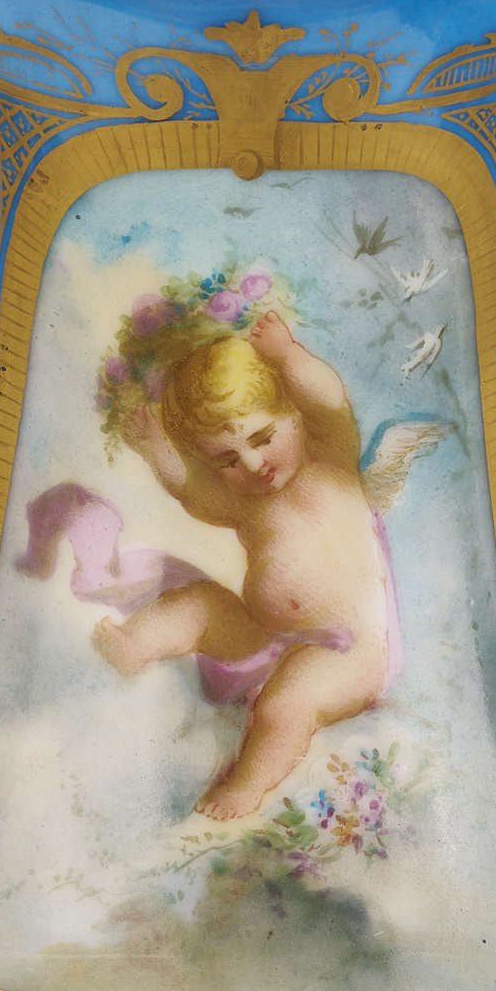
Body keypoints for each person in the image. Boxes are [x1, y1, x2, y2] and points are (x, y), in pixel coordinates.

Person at [90, 311, 391, 821]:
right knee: (199, 604)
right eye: (227, 460)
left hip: (348, 650)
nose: (252, 464)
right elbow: (190, 489)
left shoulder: (331, 459)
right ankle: (135, 645)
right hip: (268, 639)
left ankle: (248, 786)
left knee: (286, 704)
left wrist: (289, 355)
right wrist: (155, 447)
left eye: (262, 437)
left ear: (293, 415)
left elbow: (331, 402)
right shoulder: (243, 501)